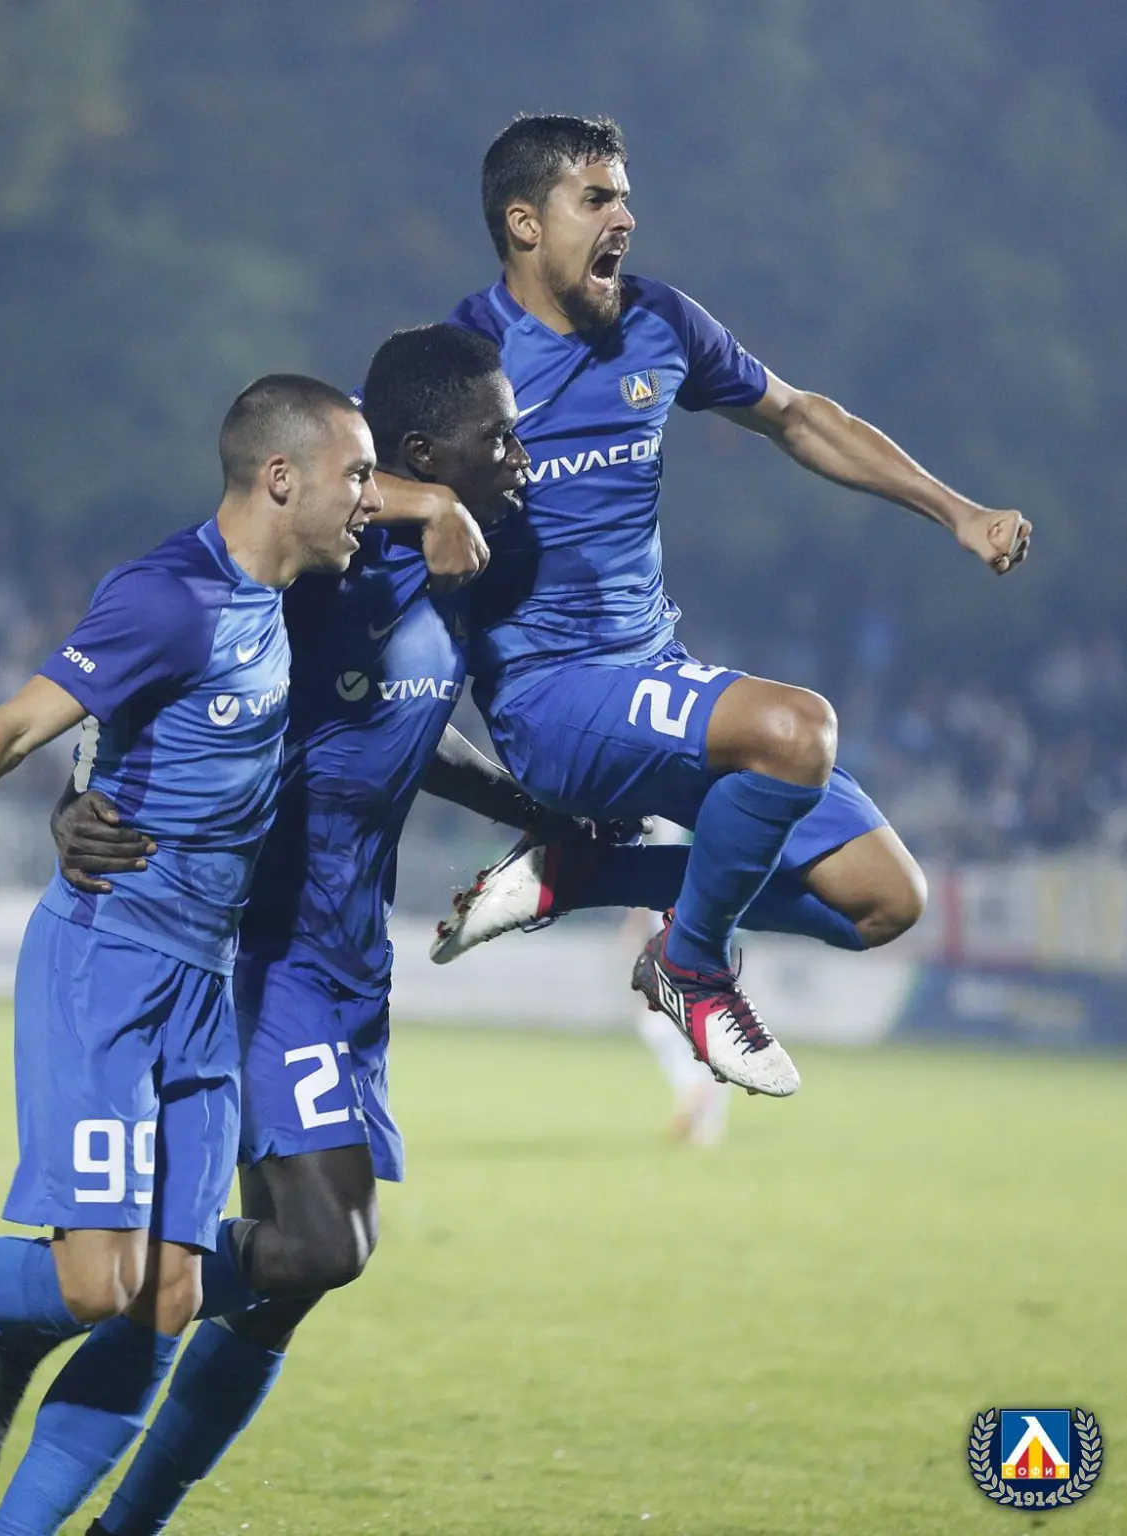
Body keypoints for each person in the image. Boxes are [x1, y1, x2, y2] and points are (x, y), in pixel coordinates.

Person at [0, 325, 605, 1536]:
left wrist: (534, 807)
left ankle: (84, 1413)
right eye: (499, 439)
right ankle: (36, 1315)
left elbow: (401, 729)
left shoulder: (469, 570)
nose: (521, 457)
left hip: (350, 958)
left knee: (287, 1284)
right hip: (258, 946)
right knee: (320, 1244)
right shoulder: (320, 565)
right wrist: (78, 795)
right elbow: (160, 652)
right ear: (417, 457)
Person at [0, 375, 381, 1536]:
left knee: (165, 1299)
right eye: (356, 476)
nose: (373, 498)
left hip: (203, 985)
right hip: (108, 960)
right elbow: (17, 722)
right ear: (281, 479)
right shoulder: (169, 599)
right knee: (92, 1283)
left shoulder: (297, 594)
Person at [380, 113, 1031, 1097]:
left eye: (624, 197)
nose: (624, 218)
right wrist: (427, 504)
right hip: (548, 698)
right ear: (523, 222)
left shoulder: (658, 321)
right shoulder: (464, 360)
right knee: (794, 730)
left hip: (653, 669)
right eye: (596, 199)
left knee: (882, 902)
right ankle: (690, 967)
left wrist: (957, 512)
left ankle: (589, 874)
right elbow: (340, 473)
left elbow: (798, 417)